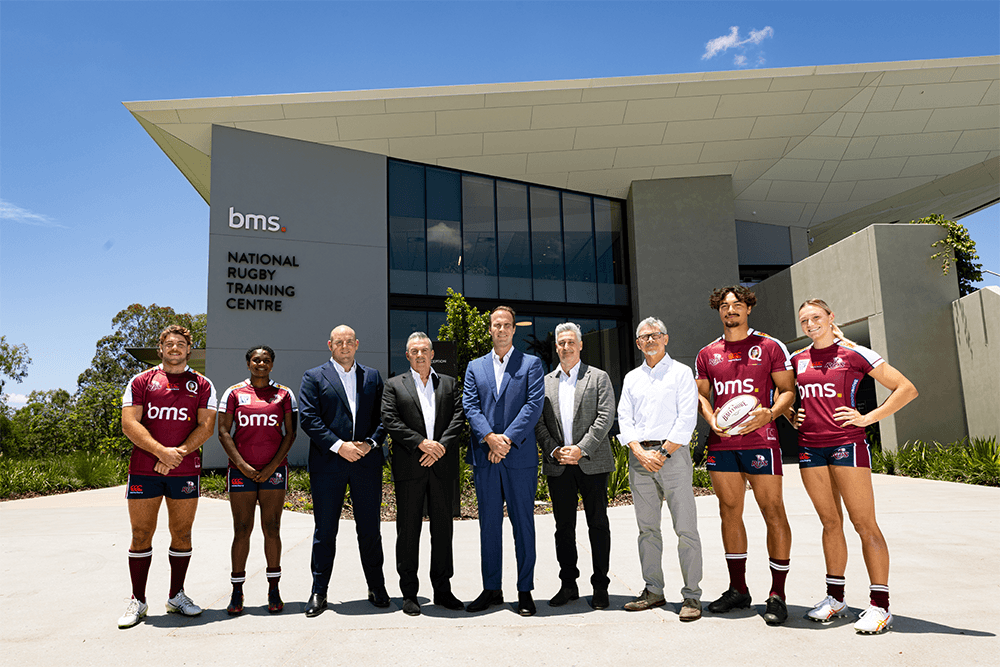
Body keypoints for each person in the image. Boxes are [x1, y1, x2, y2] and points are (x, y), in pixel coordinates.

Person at [789, 299, 917, 635]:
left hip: (847, 446)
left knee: (864, 523)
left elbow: (906, 388)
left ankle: (880, 606)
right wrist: (791, 415)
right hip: (810, 450)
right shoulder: (797, 359)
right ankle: (835, 599)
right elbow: (782, 395)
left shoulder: (855, 353)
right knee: (830, 523)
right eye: (804, 320)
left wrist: (868, 417)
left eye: (816, 317)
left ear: (831, 318)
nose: (810, 324)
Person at [695, 286, 796, 625]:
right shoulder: (707, 353)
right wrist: (710, 420)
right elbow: (703, 396)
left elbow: (787, 390)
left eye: (737, 305)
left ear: (748, 308)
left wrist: (770, 414)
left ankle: (777, 593)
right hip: (722, 444)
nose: (730, 311)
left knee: (773, 510)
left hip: (761, 441)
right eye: (724, 306)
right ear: (718, 311)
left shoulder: (769, 346)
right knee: (729, 511)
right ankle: (738, 588)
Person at [118, 325, 217, 629]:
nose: (175, 348)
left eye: (181, 344)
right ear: (160, 349)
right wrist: (161, 451)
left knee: (182, 533)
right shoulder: (141, 381)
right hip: (144, 469)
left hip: (184, 470)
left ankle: (176, 595)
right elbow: (129, 424)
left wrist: (177, 454)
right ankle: (138, 600)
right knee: (140, 534)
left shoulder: (202, 384)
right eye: (169, 344)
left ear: (189, 349)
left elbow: (206, 427)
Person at [617, 317, 704, 621]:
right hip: (640, 459)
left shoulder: (681, 374)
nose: (649, 341)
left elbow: (687, 420)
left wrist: (662, 453)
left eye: (655, 336)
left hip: (673, 457)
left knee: (686, 529)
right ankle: (653, 590)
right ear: (638, 344)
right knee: (647, 530)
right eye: (643, 337)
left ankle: (692, 596)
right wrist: (640, 452)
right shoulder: (631, 378)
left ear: (666, 339)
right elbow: (624, 420)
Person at [298, 325, 388, 617]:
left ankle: (377, 586)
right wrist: (340, 446)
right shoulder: (313, 377)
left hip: (366, 464)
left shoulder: (372, 376)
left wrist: (371, 444)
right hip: (329, 465)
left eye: (350, 341)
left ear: (357, 344)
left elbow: (384, 416)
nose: (345, 346)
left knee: (370, 529)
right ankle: (318, 591)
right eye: (339, 342)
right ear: (330, 345)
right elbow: (309, 419)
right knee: (325, 531)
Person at [463, 305, 545, 616]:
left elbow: (533, 405)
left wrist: (506, 439)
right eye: (496, 325)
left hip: (518, 456)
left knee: (523, 525)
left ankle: (525, 590)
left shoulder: (531, 364)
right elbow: (470, 406)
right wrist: (489, 438)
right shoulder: (475, 366)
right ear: (490, 330)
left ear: (513, 329)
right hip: (486, 457)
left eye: (507, 325)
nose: (501, 329)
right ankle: (492, 588)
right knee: (488, 526)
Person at [381, 332, 466, 616]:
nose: (419, 355)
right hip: (410, 466)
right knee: (408, 531)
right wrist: (421, 443)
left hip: (441, 466)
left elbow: (458, 418)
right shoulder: (394, 385)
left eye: (424, 350)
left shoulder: (450, 384)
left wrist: (439, 446)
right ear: (407, 356)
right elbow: (390, 420)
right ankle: (409, 593)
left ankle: (443, 590)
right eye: (414, 351)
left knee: (443, 530)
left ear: (432, 354)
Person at [534, 322, 616, 610]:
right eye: (561, 343)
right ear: (556, 347)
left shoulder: (599, 378)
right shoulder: (545, 382)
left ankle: (600, 586)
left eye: (571, 342)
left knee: (598, 525)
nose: (566, 347)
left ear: (580, 345)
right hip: (559, 464)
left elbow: (605, 417)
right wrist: (555, 449)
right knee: (564, 528)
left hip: (592, 463)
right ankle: (568, 584)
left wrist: (581, 449)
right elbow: (539, 423)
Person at [217, 345, 298, 615]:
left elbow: (290, 434)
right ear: (248, 363)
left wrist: (271, 466)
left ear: (272, 364)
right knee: (242, 529)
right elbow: (224, 432)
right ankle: (237, 591)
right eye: (256, 360)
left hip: (274, 471)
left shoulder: (284, 394)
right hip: (241, 472)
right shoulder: (234, 393)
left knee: (272, 528)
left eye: (266, 360)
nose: (260, 364)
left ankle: (273, 588)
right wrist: (243, 465)